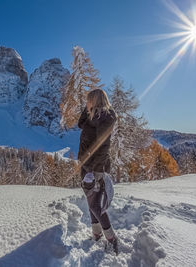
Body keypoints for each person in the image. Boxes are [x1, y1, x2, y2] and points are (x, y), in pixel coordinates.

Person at [78, 89, 118, 255]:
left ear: (95, 100)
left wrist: (96, 170)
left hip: (96, 167)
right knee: (90, 203)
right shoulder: (92, 116)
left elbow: (103, 146)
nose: (87, 103)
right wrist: (87, 110)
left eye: (89, 100)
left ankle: (112, 238)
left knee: (96, 205)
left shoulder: (106, 118)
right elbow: (80, 124)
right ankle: (96, 234)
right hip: (86, 165)